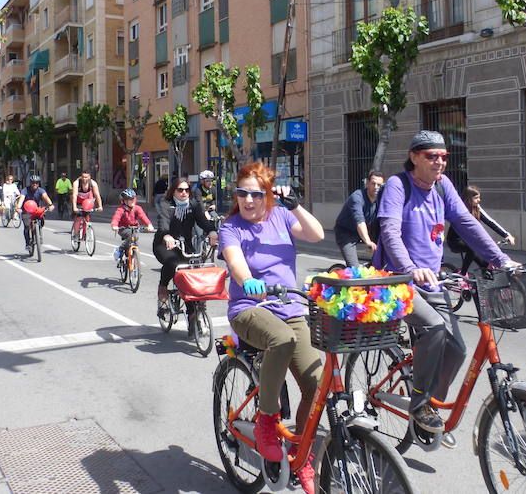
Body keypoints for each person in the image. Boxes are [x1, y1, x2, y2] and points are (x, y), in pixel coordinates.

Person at [373, 130, 517, 437]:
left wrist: (500, 259)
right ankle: (420, 404)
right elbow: (390, 233)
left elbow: (466, 223)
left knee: (456, 349)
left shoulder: (442, 186)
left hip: (433, 280)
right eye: (431, 156)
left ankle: (431, 404)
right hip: (397, 280)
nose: (439, 162)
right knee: (433, 327)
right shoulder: (398, 186)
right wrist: (410, 269)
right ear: (414, 157)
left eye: (443, 157)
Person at [219, 162, 325, 494]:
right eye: (242, 193)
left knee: (317, 383)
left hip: (291, 308)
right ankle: (267, 419)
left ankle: (301, 452)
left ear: (267, 194)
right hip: (250, 309)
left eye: (256, 193)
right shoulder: (231, 227)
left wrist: (294, 204)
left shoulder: (281, 216)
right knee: (281, 339)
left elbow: (317, 234)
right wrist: (247, 280)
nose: (248, 200)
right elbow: (235, 262)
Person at [154, 176, 217, 333]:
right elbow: (163, 221)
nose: (183, 193)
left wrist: (212, 231)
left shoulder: (194, 205)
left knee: (192, 274)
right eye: (180, 190)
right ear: (173, 191)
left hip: (185, 245)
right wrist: (167, 235)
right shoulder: (166, 204)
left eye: (186, 190)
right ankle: (163, 286)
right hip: (164, 243)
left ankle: (192, 315)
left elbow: (202, 221)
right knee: (174, 262)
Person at [446, 185, 515, 273]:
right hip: (456, 241)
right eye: (476, 198)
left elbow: (490, 222)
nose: (479, 200)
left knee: (485, 265)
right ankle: (463, 274)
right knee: (473, 248)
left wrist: (506, 235)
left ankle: (486, 279)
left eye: (479, 197)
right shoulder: (460, 210)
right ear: (468, 198)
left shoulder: (477, 208)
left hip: (471, 240)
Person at [333, 170, 384, 267]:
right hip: (346, 233)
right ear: (367, 183)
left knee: (383, 258)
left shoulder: (381, 196)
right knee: (354, 269)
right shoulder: (357, 197)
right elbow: (360, 222)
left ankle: (372, 267)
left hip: (368, 229)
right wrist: (368, 241)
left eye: (379, 185)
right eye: (373, 183)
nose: (376, 187)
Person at [111, 189, 156, 258]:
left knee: (135, 239)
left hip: (134, 228)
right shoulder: (121, 209)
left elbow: (143, 217)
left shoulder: (137, 208)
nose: (133, 201)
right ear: (125, 201)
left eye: (133, 199)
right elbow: (116, 218)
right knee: (131, 236)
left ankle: (133, 259)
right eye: (130, 199)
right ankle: (120, 249)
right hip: (123, 228)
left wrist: (149, 225)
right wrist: (114, 226)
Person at [15, 175, 54, 252]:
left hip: (36, 210)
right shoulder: (25, 190)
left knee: (41, 221)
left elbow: (46, 197)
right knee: (27, 226)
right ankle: (27, 244)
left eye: (36, 183)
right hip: (26, 211)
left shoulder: (41, 190)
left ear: (38, 183)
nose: (34, 184)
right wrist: (18, 207)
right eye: (33, 183)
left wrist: (50, 205)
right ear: (30, 183)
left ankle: (38, 234)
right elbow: (21, 198)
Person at [71, 170, 103, 237]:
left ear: (89, 177)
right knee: (78, 217)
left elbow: (97, 195)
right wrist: (74, 207)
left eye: (86, 177)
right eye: (83, 177)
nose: (85, 179)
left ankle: (85, 233)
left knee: (86, 216)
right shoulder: (76, 183)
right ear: (81, 177)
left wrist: (100, 206)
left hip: (87, 201)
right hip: (78, 201)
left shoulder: (93, 183)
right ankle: (76, 234)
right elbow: (74, 195)